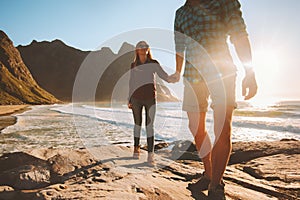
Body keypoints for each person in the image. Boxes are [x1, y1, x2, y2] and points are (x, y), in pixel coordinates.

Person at [171, 0, 258, 199]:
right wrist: (177, 72)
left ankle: (216, 185)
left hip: (222, 71)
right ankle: (208, 173)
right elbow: (180, 46)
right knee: (196, 128)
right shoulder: (180, 13)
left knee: (222, 126)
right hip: (192, 75)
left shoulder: (224, 2)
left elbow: (239, 34)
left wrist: (249, 72)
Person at [128, 41, 171, 166]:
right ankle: (136, 149)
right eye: (140, 47)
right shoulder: (133, 65)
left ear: (148, 49)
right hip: (135, 98)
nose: (143, 49)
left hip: (150, 98)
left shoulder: (153, 63)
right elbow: (131, 82)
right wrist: (129, 99)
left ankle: (150, 156)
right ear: (137, 50)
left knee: (149, 126)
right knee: (137, 124)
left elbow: (164, 75)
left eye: (145, 46)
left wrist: (174, 77)